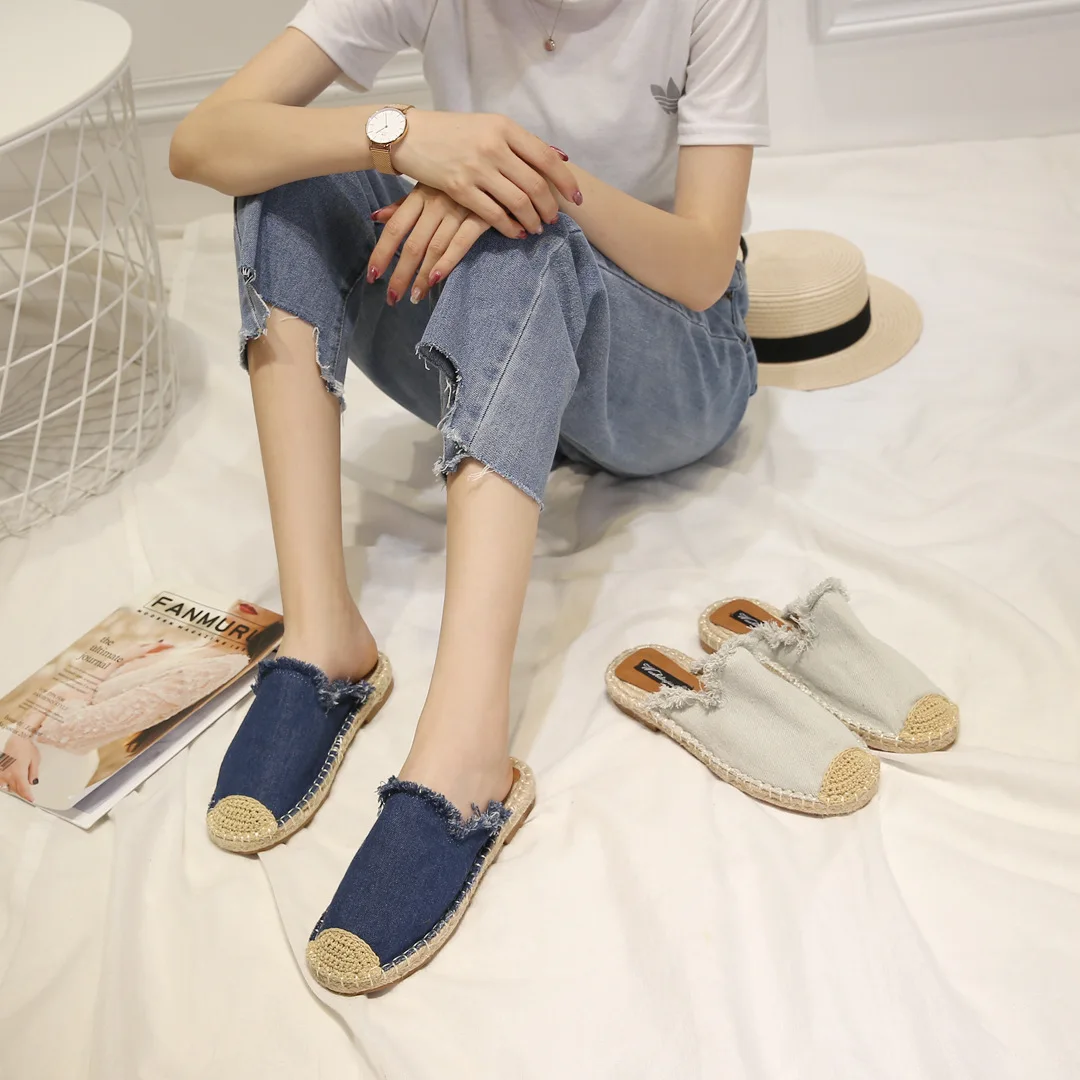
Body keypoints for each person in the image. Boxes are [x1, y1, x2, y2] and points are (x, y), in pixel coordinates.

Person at [170, 0, 767, 991]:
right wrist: (406, 137)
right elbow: (203, 141)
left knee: (520, 234)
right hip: (497, 340)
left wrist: (524, 180)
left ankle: (466, 756)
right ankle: (323, 637)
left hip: (672, 371)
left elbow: (704, 267)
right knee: (281, 187)